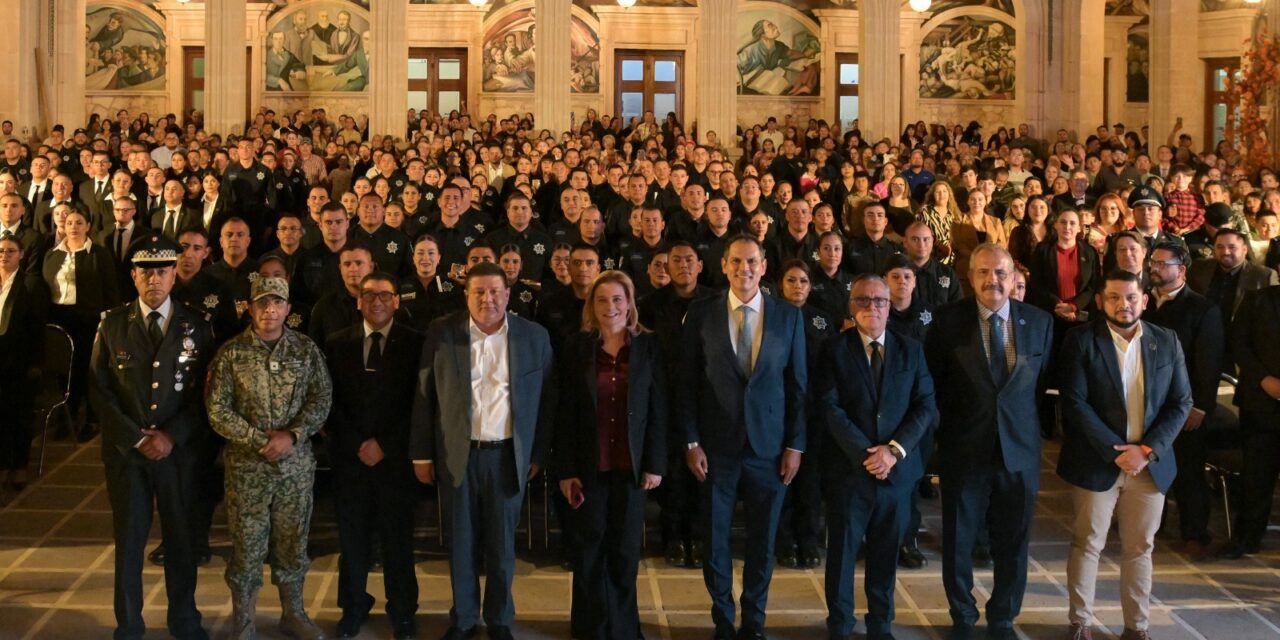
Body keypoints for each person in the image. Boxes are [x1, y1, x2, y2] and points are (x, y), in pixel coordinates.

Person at [410, 262, 556, 640]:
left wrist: (537, 454)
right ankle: (463, 619)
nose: (488, 299)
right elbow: (425, 396)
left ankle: (500, 619)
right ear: (466, 295)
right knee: (460, 544)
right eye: (479, 292)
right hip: (458, 455)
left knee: (502, 546)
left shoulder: (533, 336)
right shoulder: (443, 333)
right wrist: (421, 453)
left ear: (508, 294)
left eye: (495, 291)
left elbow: (547, 401)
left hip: (508, 457)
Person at [678, 235, 807, 640]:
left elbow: (798, 387)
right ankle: (722, 618)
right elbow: (686, 384)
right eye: (736, 262)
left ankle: (753, 618)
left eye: (752, 261)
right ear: (724, 265)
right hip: (716, 449)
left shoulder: (788, 316)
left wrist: (795, 445)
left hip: (770, 450)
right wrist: (691, 441)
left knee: (763, 540)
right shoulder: (701, 314)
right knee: (715, 539)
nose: (744, 269)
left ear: (764, 265)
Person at [924, 243, 1054, 640]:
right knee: (959, 539)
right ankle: (962, 616)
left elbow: (1040, 384)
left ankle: (1002, 618)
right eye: (983, 272)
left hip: (1019, 452)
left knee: (1013, 541)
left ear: (1015, 277)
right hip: (964, 449)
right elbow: (934, 386)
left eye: (1000, 273)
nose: (992, 280)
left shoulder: (1040, 322)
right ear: (971, 277)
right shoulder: (947, 323)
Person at [88, 233, 215, 640]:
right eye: (146, 272)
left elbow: (207, 393)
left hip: (178, 453)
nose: (154, 280)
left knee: (181, 540)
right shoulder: (112, 324)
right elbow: (99, 389)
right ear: (133, 275)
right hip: (128, 453)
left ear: (175, 274)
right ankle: (129, 624)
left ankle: (184, 619)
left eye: (162, 271)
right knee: (129, 542)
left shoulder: (197, 324)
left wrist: (171, 436)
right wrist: (137, 437)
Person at [1057, 270, 1192, 640]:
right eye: (1114, 297)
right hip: (1097, 460)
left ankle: (1137, 627)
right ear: (1100, 301)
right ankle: (1080, 624)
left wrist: (1147, 450)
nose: (1124, 304)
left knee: (1140, 548)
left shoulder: (1167, 341)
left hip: (1149, 465)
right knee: (1088, 543)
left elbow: (1182, 402)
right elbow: (1075, 402)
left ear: (1144, 300)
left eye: (1131, 297)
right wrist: (1116, 453)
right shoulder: (1081, 340)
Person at [206, 276, 333, 640]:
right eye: (262, 303)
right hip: (248, 467)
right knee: (247, 545)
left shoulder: (306, 351)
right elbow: (217, 409)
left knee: (293, 541)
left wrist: (291, 435)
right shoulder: (232, 353)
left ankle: (293, 613)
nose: (270, 310)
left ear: (289, 309)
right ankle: (243, 619)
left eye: (277, 303)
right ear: (250, 307)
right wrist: (259, 439)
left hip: (294, 467)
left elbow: (321, 399)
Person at [815, 274, 937, 640]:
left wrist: (894, 452)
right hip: (849, 472)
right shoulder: (832, 349)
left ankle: (880, 625)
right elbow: (829, 407)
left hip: (896, 474)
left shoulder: (911, 349)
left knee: (886, 555)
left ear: (890, 306)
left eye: (879, 301)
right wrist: (868, 455)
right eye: (863, 301)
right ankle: (839, 624)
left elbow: (925, 405)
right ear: (851, 307)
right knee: (841, 555)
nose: (872, 307)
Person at [555, 270, 666, 640]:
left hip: (631, 468)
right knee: (588, 554)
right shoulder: (576, 348)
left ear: (630, 303)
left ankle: (622, 628)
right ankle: (589, 629)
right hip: (590, 466)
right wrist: (566, 469)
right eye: (602, 300)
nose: (610, 307)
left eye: (618, 299)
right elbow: (565, 413)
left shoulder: (649, 347)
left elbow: (658, 410)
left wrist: (655, 462)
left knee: (623, 553)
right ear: (591, 306)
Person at [324, 272, 422, 639]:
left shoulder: (416, 343)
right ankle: (352, 606)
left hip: (395, 461)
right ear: (358, 301)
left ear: (397, 300)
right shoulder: (337, 343)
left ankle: (403, 611)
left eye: (385, 295)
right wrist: (357, 444)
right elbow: (328, 401)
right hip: (351, 460)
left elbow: (419, 403)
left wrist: (386, 445)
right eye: (369, 295)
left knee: (398, 542)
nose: (377, 301)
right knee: (352, 542)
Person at [1142, 242, 1225, 562]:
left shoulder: (1203, 309)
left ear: (1182, 270)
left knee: (1188, 471)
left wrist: (1200, 406)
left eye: (1163, 264)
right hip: (1147, 402)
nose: (1155, 269)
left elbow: (1209, 364)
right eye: (1153, 263)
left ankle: (1194, 532)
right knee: (1148, 467)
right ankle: (1152, 523)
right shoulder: (1144, 303)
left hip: (1183, 404)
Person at [638, 240, 714, 567]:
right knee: (672, 472)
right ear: (666, 267)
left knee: (701, 471)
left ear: (699, 265)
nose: (683, 265)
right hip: (665, 397)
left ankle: (697, 537)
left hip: (706, 399)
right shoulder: (651, 304)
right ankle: (672, 538)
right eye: (676, 260)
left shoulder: (715, 301)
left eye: (689, 259)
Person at [43, 207, 120, 440]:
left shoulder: (99, 254)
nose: (73, 227)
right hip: (60, 319)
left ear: (88, 226)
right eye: (69, 223)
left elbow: (111, 292)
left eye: (79, 223)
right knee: (65, 371)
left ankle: (91, 419)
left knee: (88, 371)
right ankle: (67, 417)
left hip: (89, 320)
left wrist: (107, 322)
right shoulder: (53, 254)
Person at [1220, 281, 1280, 559]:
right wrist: (1262, 379)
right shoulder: (1257, 300)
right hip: (1261, 401)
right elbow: (1238, 343)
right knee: (1256, 476)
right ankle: (1247, 538)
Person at [0, 233, 48, 490]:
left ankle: (18, 465)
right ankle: (2, 464)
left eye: (10, 251)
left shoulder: (30, 284)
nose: (4, 256)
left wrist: (35, 363)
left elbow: (37, 328)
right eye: (1, 251)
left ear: (20, 255)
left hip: (20, 362)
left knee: (18, 416)